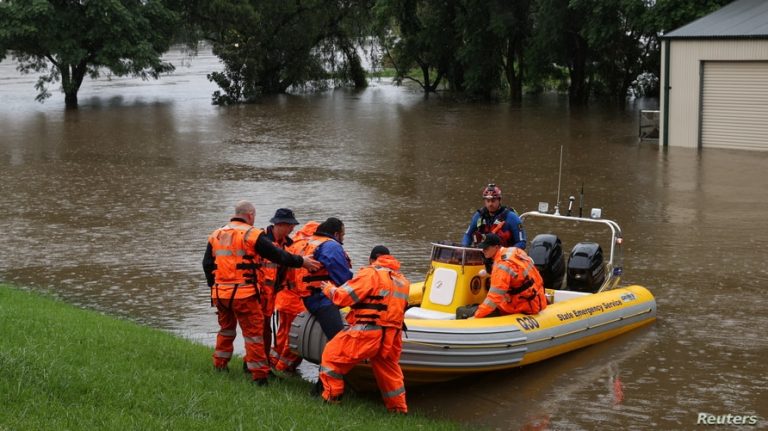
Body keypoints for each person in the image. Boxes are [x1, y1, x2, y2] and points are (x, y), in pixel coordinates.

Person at [202, 200, 319, 385]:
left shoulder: (216, 234)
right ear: (251, 215)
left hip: (220, 294)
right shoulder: (252, 234)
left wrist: (214, 287)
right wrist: (302, 261)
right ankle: (260, 377)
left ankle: (220, 365)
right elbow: (277, 255)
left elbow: (207, 264)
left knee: (226, 331)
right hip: (244, 294)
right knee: (255, 335)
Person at [318, 246, 410, 414]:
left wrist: (328, 289)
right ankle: (398, 410)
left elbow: (343, 297)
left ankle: (332, 399)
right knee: (389, 371)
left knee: (331, 357)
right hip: (392, 337)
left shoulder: (370, 273)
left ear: (372, 259)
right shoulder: (403, 281)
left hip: (368, 332)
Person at [270, 219, 319, 374]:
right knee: (296, 337)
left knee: (283, 333)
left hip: (283, 297)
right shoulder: (311, 248)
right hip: (296, 300)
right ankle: (283, 367)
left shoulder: (291, 244)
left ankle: (272, 361)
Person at [292, 217, 353, 340]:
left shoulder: (312, 242)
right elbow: (343, 277)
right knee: (339, 341)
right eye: (343, 235)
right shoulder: (331, 246)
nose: (343, 238)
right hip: (323, 299)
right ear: (336, 234)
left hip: (309, 297)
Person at [258, 208, 300, 369]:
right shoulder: (260, 240)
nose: (292, 229)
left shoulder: (289, 244)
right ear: (280, 224)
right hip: (258, 294)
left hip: (274, 295)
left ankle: (264, 363)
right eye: (290, 226)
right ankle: (257, 365)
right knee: (259, 330)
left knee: (267, 330)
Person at [473, 233, 547, 318]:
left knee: (467, 311)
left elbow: (494, 298)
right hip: (536, 298)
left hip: (524, 306)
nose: (483, 250)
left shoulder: (502, 266)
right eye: (482, 248)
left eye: (486, 248)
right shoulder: (515, 250)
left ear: (496, 247)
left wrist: (477, 315)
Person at [462, 183, 526, 249]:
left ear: (499, 200)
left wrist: (507, 253)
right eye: (488, 201)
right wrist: (464, 248)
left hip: (504, 256)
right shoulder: (479, 216)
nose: (490, 204)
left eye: (493, 201)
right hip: (482, 253)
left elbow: (521, 242)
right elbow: (468, 235)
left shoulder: (511, 217)